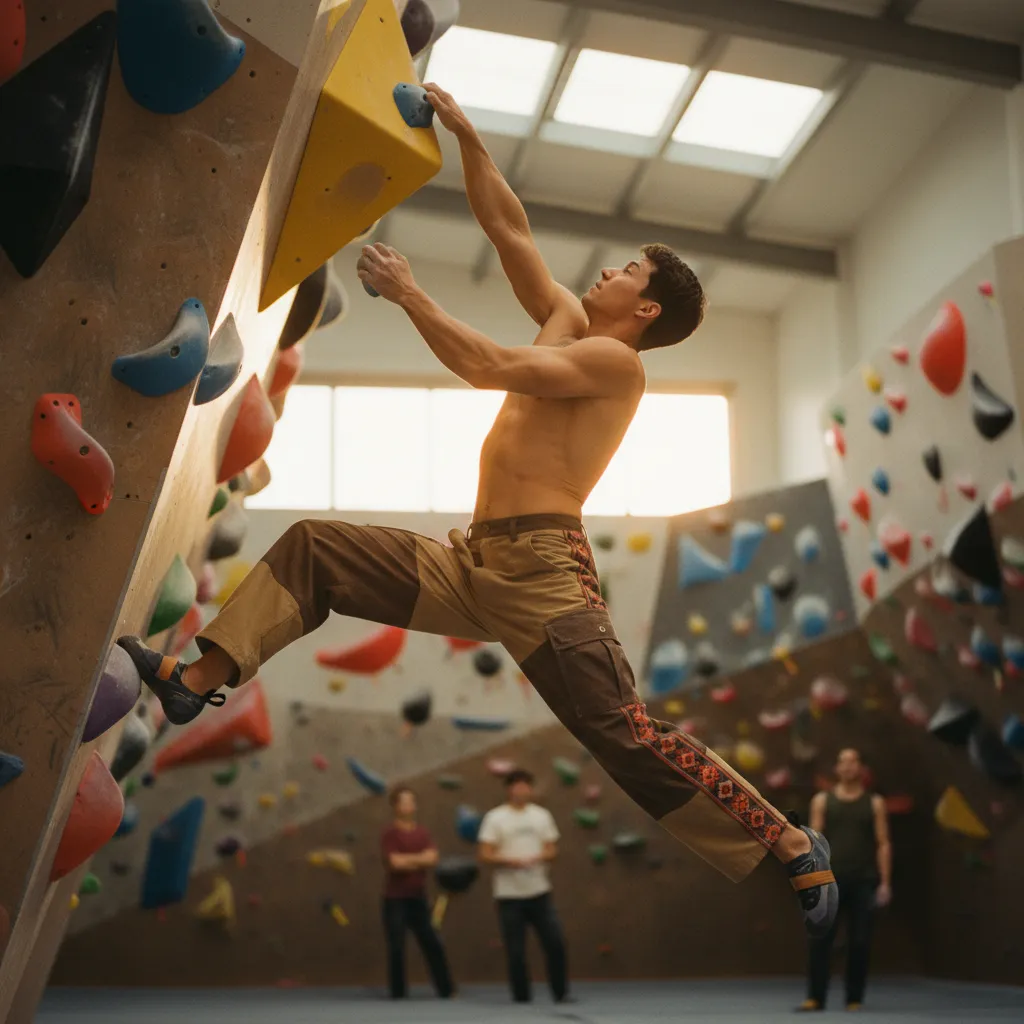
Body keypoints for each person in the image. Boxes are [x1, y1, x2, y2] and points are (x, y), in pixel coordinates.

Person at [116, 82, 837, 942]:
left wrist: (414, 293)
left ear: (645, 310)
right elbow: (508, 228)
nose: (607, 270)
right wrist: (466, 134)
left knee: (627, 736)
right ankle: (198, 682)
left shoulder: (618, 365)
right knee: (316, 550)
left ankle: (791, 840)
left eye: (628, 272)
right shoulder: (569, 319)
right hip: (473, 564)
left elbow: (491, 367)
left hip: (546, 581)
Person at [797, 749, 891, 1013]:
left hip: (864, 881)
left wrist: (885, 882)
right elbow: (813, 843)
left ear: (861, 768)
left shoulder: (875, 803)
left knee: (860, 940)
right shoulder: (822, 801)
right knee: (820, 939)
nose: (848, 766)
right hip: (828, 881)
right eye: (843, 762)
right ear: (837, 769)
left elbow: (883, 843)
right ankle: (815, 997)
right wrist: (811, 879)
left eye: (853, 761)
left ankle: (854, 998)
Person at [477, 769, 568, 1004]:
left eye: (526, 785)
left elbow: (552, 848)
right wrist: (509, 861)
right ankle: (521, 997)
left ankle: (560, 992)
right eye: (516, 785)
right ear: (509, 789)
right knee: (515, 950)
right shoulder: (495, 818)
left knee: (555, 943)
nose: (521, 790)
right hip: (509, 895)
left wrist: (538, 857)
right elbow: (485, 854)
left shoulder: (541, 815)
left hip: (539, 891)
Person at [379, 785, 454, 1000]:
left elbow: (432, 858)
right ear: (395, 806)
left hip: (418, 898)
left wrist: (410, 860)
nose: (409, 805)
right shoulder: (390, 833)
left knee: (432, 943)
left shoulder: (423, 832)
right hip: (394, 899)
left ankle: (446, 989)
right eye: (404, 801)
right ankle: (398, 992)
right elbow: (394, 863)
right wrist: (419, 860)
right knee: (396, 947)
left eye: (412, 801)